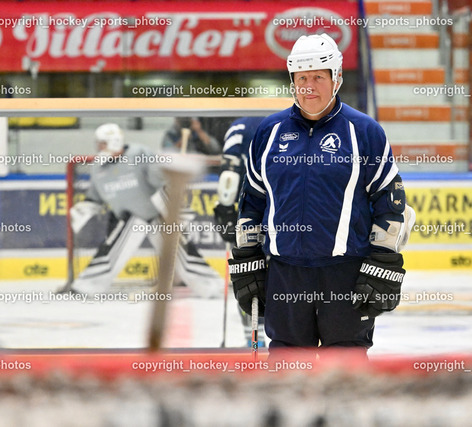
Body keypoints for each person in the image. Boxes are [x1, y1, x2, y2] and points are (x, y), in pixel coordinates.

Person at [228, 34, 415, 354]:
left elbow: (390, 203)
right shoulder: (269, 132)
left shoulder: (364, 131)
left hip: (346, 274)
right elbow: (253, 203)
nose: (308, 86)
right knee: (287, 364)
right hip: (286, 273)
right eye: (301, 78)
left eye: (318, 77)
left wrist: (383, 262)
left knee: (345, 366)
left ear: (336, 78)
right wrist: (248, 259)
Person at [69, 123, 222, 298]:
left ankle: (212, 286)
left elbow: (160, 182)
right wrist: (84, 209)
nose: (99, 147)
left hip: (157, 214)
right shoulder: (98, 166)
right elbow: (95, 196)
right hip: (130, 218)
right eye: (99, 143)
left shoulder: (139, 154)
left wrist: (174, 205)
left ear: (114, 142)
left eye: (103, 143)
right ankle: (87, 287)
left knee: (183, 253)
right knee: (110, 252)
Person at [213, 117, 265, 347]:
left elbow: (230, 173)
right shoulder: (288, 120)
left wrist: (226, 209)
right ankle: (288, 344)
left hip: (248, 211)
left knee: (248, 274)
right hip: (283, 210)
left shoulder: (239, 126)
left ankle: (254, 340)